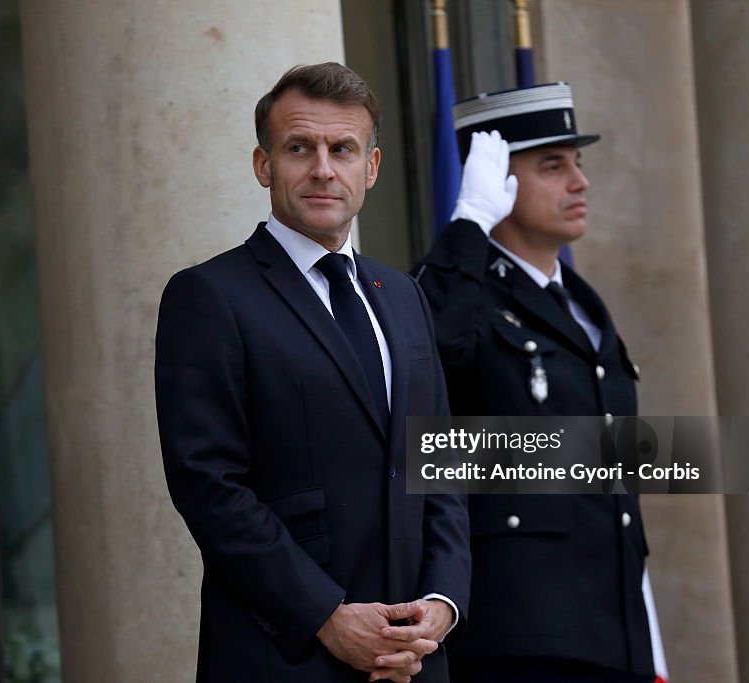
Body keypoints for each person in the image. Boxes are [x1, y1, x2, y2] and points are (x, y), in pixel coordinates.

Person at [155, 62, 470, 683]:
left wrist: (443, 602)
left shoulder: (404, 295)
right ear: (264, 164)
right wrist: (326, 615)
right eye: (300, 147)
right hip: (284, 655)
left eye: (342, 149)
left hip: (413, 659)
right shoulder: (209, 296)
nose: (323, 169)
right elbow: (209, 485)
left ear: (370, 169)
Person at [414, 83, 653, 682]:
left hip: (611, 631)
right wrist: (467, 226)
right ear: (497, 181)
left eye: (578, 163)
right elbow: (430, 363)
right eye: (553, 165)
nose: (580, 182)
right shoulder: (461, 296)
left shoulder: (581, 304)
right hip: (518, 637)